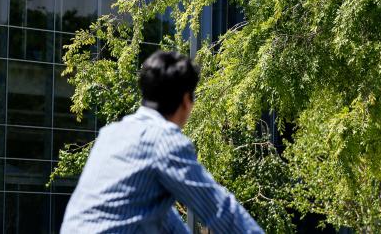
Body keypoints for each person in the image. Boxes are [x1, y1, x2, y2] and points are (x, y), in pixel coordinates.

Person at [61, 51, 264, 233]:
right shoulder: (165, 140)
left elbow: (159, 216)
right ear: (186, 100)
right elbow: (217, 207)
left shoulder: (111, 133)